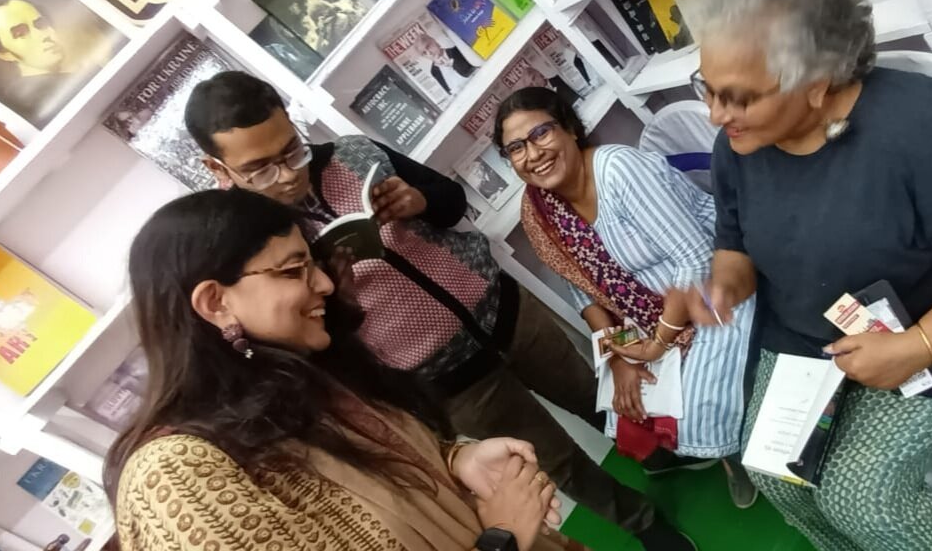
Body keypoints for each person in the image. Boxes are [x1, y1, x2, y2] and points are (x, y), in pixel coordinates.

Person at [183, 71, 691, 549]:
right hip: (442, 374)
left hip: (503, 309)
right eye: (260, 168)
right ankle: (645, 524)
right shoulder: (250, 240)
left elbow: (451, 200)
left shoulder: (353, 152)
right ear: (217, 169)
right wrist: (336, 292)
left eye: (292, 149)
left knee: (594, 393)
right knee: (554, 461)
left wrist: (418, 201)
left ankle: (659, 453)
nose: (287, 175)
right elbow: (311, 339)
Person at [685, 0, 932, 549]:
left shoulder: (927, 129)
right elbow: (734, 241)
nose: (715, 115)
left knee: (866, 503)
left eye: (737, 97)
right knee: (774, 474)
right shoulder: (741, 145)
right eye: (706, 88)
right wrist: (723, 288)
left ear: (817, 83)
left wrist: (920, 346)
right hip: (807, 334)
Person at [109, 188, 576, 551]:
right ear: (215, 302)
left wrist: (455, 463)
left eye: (312, 264)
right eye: (292, 270)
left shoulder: (302, 375)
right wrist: (503, 537)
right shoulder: (173, 478)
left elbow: (380, 483)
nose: (325, 284)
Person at [495, 87, 758, 514]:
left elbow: (695, 257)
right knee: (624, 411)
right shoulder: (539, 210)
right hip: (647, 318)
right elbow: (581, 289)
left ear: (570, 129)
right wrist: (619, 354)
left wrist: (659, 343)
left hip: (717, 287)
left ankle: (737, 451)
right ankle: (725, 443)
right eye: (516, 147)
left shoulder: (619, 171)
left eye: (541, 133)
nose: (533, 153)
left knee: (694, 413)